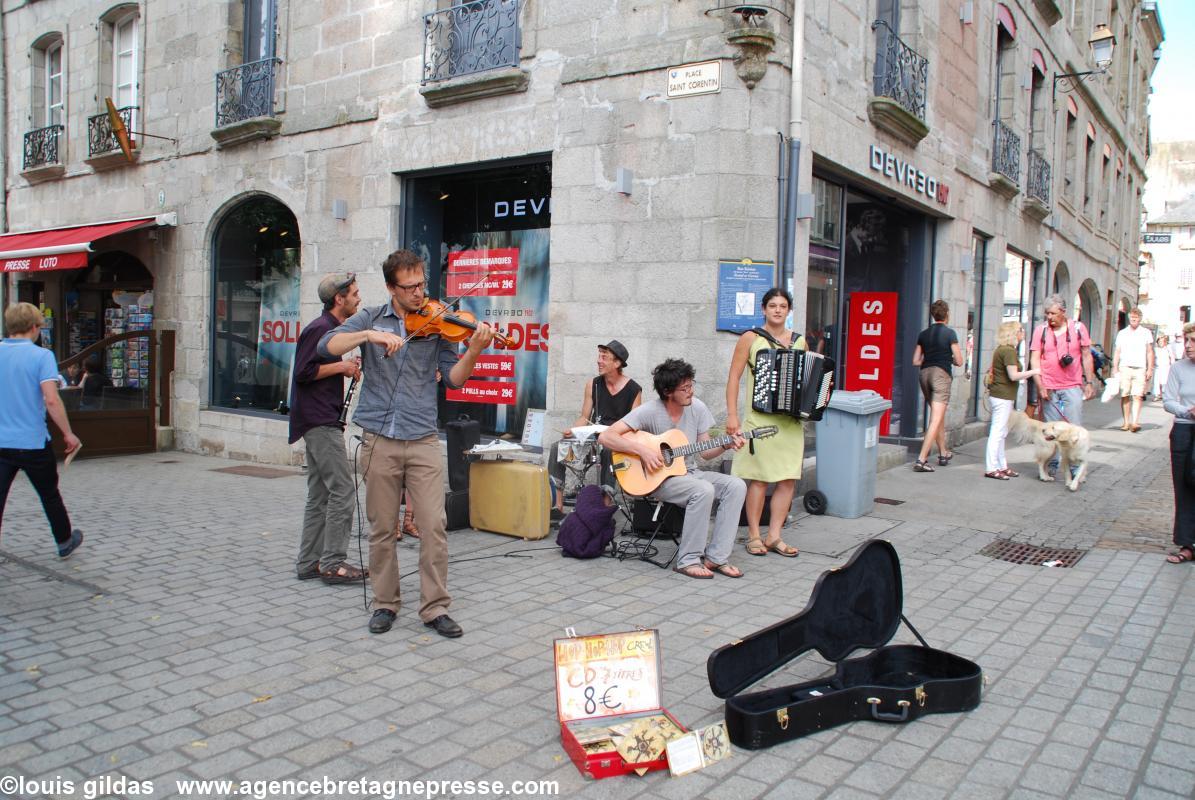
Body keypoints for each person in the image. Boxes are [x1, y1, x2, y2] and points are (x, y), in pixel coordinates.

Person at [320, 249, 495, 637]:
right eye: (409, 287)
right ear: (390, 288)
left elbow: (454, 380)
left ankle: (434, 608)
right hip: (379, 438)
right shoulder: (370, 318)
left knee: (434, 525)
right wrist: (367, 335)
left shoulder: (437, 323)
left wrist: (476, 349)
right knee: (382, 527)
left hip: (422, 437)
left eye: (422, 284)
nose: (419, 294)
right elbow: (325, 346)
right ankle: (385, 603)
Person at [599, 358, 746, 579]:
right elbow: (606, 436)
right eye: (685, 388)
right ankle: (688, 560)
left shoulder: (697, 407)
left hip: (690, 473)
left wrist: (725, 444)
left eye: (691, 385)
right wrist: (643, 451)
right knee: (703, 489)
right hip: (659, 480)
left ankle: (716, 557)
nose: (691, 391)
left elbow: (705, 453)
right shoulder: (649, 411)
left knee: (736, 485)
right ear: (668, 392)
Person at [290, 272, 368, 586]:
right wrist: (343, 366)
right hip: (318, 420)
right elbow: (303, 373)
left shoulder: (332, 329)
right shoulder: (320, 329)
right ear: (340, 299)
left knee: (320, 493)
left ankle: (309, 562)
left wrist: (342, 368)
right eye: (354, 293)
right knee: (343, 490)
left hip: (320, 417)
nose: (359, 298)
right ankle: (333, 562)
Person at [0, 303, 83, 558]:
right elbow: (51, 399)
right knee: (49, 494)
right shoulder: (41, 356)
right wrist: (68, 433)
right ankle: (64, 541)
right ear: (34, 327)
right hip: (32, 441)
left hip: (2, 441)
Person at [725, 287, 804, 557]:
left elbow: (804, 382)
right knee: (758, 479)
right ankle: (754, 535)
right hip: (759, 420)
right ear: (764, 309)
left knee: (787, 480)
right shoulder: (750, 338)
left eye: (783, 306)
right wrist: (733, 416)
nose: (778, 310)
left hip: (790, 424)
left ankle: (774, 536)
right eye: (773, 305)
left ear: (789, 311)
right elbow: (734, 377)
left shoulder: (799, 342)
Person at [547, 340, 642, 510]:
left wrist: (614, 436)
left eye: (604, 357)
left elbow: (635, 426)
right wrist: (573, 431)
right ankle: (557, 505)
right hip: (592, 439)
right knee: (557, 448)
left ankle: (605, 505)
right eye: (599, 356)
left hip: (615, 441)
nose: (599, 360)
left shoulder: (634, 390)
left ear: (617, 363)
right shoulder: (593, 384)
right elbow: (584, 417)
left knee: (609, 451)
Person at [1029, 294, 1096, 477]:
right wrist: (1040, 384)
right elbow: (1034, 359)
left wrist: (1089, 382)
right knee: (1050, 430)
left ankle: (1075, 469)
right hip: (1049, 386)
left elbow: (1086, 355)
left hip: (1072, 385)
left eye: (1052, 313)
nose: (1049, 317)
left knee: (1073, 428)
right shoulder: (1040, 331)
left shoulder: (1078, 328)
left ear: (1063, 312)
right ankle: (1051, 464)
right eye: (1046, 314)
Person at [911, 300, 963, 472]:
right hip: (941, 375)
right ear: (947, 314)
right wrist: (949, 359)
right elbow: (960, 360)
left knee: (937, 415)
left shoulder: (923, 334)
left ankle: (943, 453)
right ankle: (921, 460)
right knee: (935, 418)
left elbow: (915, 361)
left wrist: (930, 358)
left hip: (925, 374)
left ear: (933, 315)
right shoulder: (950, 334)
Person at [984, 321, 1040, 480]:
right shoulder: (1008, 351)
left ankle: (1001, 466)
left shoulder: (1002, 349)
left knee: (1001, 432)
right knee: (998, 432)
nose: (1023, 332)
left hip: (1001, 395)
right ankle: (991, 467)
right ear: (1014, 333)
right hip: (1002, 395)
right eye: (1021, 330)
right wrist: (1034, 371)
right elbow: (1013, 375)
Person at [1162, 322, 1195, 565]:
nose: (1188, 346)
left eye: (1193, 341)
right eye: (1187, 341)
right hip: (1184, 430)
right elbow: (1168, 401)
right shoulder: (1178, 368)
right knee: (1183, 486)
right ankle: (1187, 543)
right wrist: (1187, 411)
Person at [1111, 307, 1154, 432]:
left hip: (1140, 367)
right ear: (1129, 318)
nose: (1133, 320)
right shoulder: (1122, 333)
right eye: (1131, 318)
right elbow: (1117, 352)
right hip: (1124, 367)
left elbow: (1150, 352)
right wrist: (1115, 368)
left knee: (1138, 395)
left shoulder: (1146, 332)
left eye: (1135, 318)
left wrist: (1150, 369)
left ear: (1140, 319)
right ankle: (1126, 422)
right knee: (1125, 395)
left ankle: (1135, 422)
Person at [1154, 334, 1174, 401]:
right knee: (1157, 382)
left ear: (1165, 342)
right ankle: (1157, 395)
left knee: (1164, 382)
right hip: (1157, 367)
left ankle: (1164, 394)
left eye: (1162, 342)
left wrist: (1172, 365)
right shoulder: (1155, 349)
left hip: (1166, 367)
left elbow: (1172, 357)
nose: (1160, 343)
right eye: (1159, 342)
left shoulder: (1168, 349)